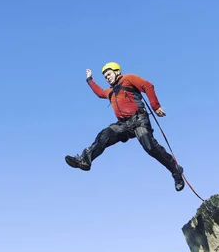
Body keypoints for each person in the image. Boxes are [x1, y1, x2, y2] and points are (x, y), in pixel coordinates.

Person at [65, 62, 185, 191]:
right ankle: (84, 160)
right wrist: (89, 80)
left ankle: (175, 170)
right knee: (104, 135)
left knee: (149, 147)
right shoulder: (110, 92)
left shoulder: (128, 78)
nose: (107, 78)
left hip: (139, 120)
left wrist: (155, 106)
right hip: (123, 124)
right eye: (105, 77)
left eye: (109, 74)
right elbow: (100, 93)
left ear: (117, 72)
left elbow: (147, 85)